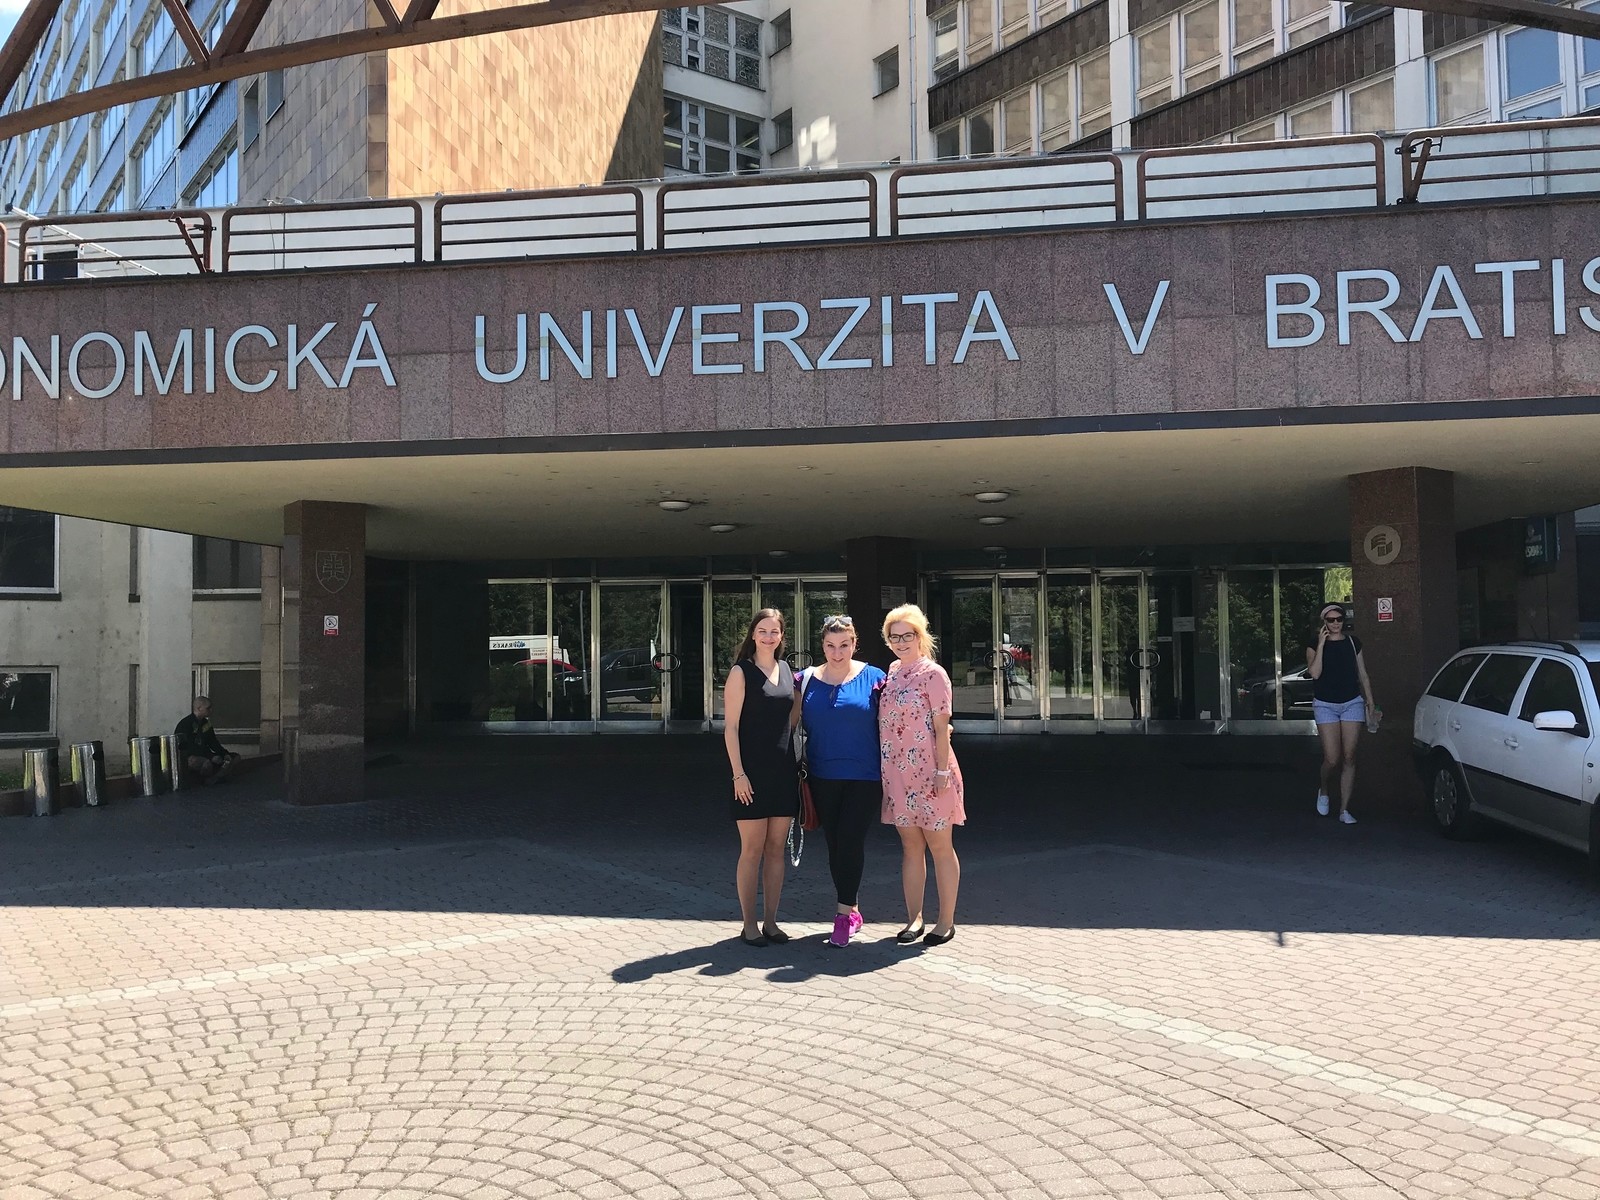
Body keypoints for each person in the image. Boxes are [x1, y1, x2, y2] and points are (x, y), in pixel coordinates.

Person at [798, 615, 887, 948]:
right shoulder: (804, 680)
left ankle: (842, 914)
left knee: (849, 840)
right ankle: (853, 908)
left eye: (844, 645)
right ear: (822, 646)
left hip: (865, 777)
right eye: (831, 646)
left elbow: (900, 719)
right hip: (822, 776)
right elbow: (780, 719)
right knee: (835, 844)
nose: (837, 653)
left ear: (855, 644)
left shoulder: (875, 678)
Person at [879, 604, 964, 946]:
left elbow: (942, 727)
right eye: (894, 637)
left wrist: (942, 771)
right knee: (910, 847)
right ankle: (914, 918)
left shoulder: (934, 674)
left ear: (920, 636)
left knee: (940, 847)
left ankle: (946, 921)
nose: (901, 642)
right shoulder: (892, 672)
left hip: (932, 774)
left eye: (907, 635)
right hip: (898, 773)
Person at [723, 608, 799, 947]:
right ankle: (749, 925)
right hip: (750, 775)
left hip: (783, 773)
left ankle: (771, 922)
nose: (769, 637)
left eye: (775, 631)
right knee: (752, 850)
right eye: (763, 630)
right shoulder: (741, 672)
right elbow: (731, 728)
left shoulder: (787, 670)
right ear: (753, 634)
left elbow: (791, 718)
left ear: (781, 636)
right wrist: (738, 774)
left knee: (776, 850)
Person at [1306, 603, 1376, 825]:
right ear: (1324, 622)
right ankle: (1324, 789)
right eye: (1331, 620)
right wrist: (1321, 643)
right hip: (1325, 704)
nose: (1336, 623)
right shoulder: (1314, 644)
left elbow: (1363, 674)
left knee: (1349, 756)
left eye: (1339, 619)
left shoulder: (1353, 643)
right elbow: (1315, 673)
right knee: (1332, 758)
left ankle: (1344, 809)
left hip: (1351, 702)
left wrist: (1371, 702)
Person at [175, 696, 240, 785]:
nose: (211, 710)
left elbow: (213, 742)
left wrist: (224, 754)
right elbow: (186, 747)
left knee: (235, 757)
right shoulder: (185, 724)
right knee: (205, 763)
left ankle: (216, 777)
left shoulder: (206, 723)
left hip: (205, 754)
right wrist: (210, 756)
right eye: (208, 708)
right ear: (199, 708)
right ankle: (205, 780)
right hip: (190, 756)